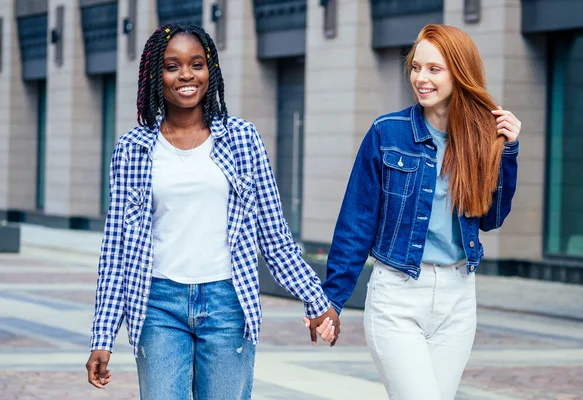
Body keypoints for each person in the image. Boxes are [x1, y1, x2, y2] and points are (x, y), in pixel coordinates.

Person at [85, 24, 338, 400]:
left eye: (197, 64)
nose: (186, 75)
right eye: (173, 66)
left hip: (227, 302)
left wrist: (316, 301)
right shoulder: (132, 149)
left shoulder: (242, 139)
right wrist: (102, 336)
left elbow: (274, 234)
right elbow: (116, 251)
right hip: (157, 304)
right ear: (156, 74)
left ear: (211, 71)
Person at [321, 24, 521, 400]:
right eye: (416, 67)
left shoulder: (482, 138)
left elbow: (491, 219)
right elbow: (356, 222)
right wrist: (331, 300)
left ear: (460, 73)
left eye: (434, 69)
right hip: (397, 295)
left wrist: (508, 153)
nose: (421, 78)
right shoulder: (387, 133)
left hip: (458, 297)